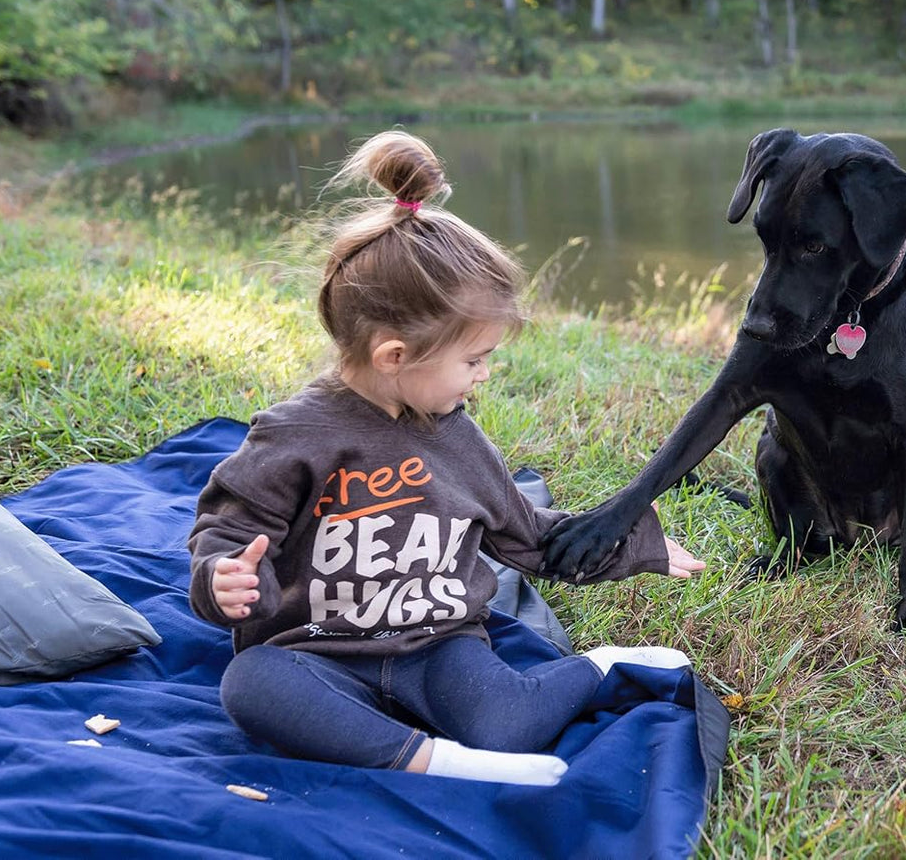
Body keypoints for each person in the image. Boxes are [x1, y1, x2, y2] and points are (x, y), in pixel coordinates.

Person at [188, 130, 705, 787]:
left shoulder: (458, 440)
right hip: (315, 647)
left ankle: (600, 666)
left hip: (437, 643)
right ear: (393, 356)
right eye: (473, 359)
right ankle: (435, 761)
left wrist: (633, 542)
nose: (482, 376)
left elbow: (527, 535)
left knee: (506, 723)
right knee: (250, 686)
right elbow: (228, 534)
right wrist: (223, 578)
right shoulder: (292, 434)